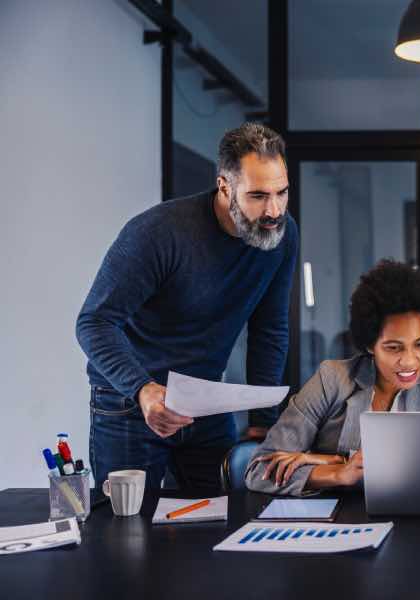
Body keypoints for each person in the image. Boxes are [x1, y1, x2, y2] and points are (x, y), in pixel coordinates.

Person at [76, 122, 296, 492]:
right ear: (225, 186)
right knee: (129, 533)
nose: (273, 210)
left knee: (223, 520)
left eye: (282, 192)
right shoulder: (157, 234)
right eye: (258, 196)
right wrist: (142, 389)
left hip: (205, 403)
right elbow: (94, 323)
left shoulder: (281, 234)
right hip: (131, 405)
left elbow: (269, 328)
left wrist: (262, 420)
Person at [245, 260, 420, 495]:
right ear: (370, 345)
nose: (410, 361)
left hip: (406, 516)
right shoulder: (332, 379)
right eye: (394, 348)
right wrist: (337, 475)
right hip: (335, 520)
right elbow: (258, 470)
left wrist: (323, 460)